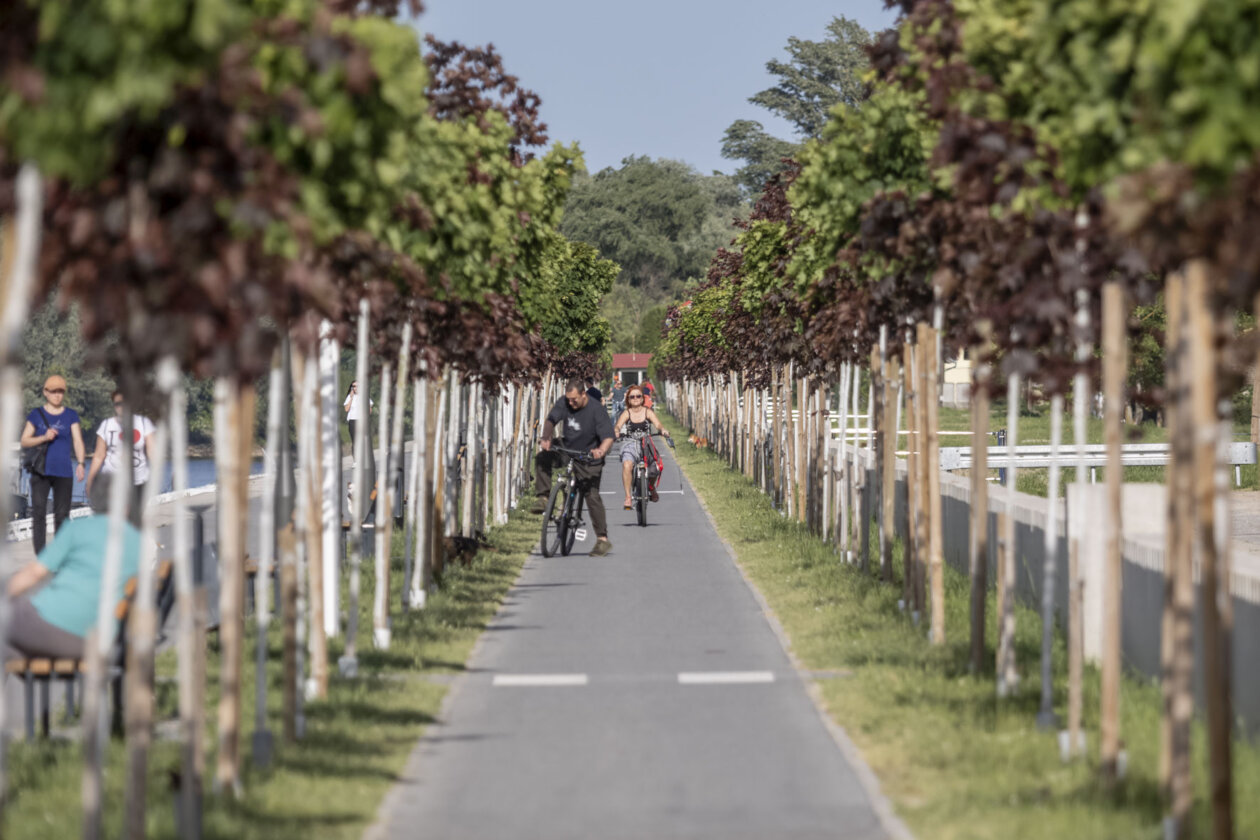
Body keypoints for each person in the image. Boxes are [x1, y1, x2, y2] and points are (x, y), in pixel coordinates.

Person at [6, 475, 141, 659]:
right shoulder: (138, 542)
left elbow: (34, 573)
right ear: (127, 503)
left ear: (94, 500)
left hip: (52, 624)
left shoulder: (78, 529)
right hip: (100, 638)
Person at [531, 379, 615, 557]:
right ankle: (543, 498)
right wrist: (546, 438)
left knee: (591, 495)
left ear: (583, 394)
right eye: (568, 399)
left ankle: (602, 539)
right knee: (542, 458)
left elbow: (608, 436)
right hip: (567, 448)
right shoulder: (565, 402)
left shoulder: (596, 410)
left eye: (574, 399)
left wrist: (601, 450)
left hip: (589, 455)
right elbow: (551, 420)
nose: (571, 403)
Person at [20, 375, 86, 555]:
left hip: (64, 472)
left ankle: (59, 554)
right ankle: (41, 556)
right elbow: (25, 440)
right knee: (39, 513)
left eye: (61, 391)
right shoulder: (36, 414)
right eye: (54, 391)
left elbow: (78, 441)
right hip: (40, 471)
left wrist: (81, 463)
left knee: (62, 516)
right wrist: (44, 437)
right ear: (45, 392)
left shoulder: (70, 415)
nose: (57, 395)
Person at [86, 391, 155, 523]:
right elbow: (99, 455)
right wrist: (90, 480)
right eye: (118, 404)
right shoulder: (107, 425)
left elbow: (152, 452)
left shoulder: (143, 423)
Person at [613, 384, 671, 508]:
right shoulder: (626, 413)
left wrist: (663, 430)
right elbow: (618, 426)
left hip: (646, 443)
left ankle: (651, 487)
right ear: (628, 399)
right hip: (630, 443)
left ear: (642, 398)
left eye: (638, 396)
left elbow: (658, 425)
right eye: (632, 397)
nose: (635, 398)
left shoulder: (648, 412)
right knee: (627, 465)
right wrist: (616, 431)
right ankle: (628, 497)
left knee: (655, 467)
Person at [343, 380, 373, 451]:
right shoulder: (349, 397)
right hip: (352, 421)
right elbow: (346, 409)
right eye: (354, 386)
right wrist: (351, 398)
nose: (356, 388)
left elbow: (369, 411)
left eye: (357, 386)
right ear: (352, 388)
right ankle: (356, 457)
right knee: (355, 441)